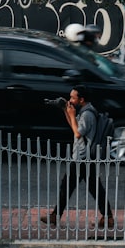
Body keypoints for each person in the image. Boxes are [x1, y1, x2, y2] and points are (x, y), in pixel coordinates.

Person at [41, 85, 115, 228]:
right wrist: (66, 111)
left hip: (83, 157)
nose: (70, 99)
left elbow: (77, 133)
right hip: (84, 157)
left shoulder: (87, 114)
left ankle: (55, 216)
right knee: (91, 187)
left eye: (73, 97)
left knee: (68, 186)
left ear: (81, 99)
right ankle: (108, 217)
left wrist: (72, 114)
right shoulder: (86, 110)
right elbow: (74, 126)